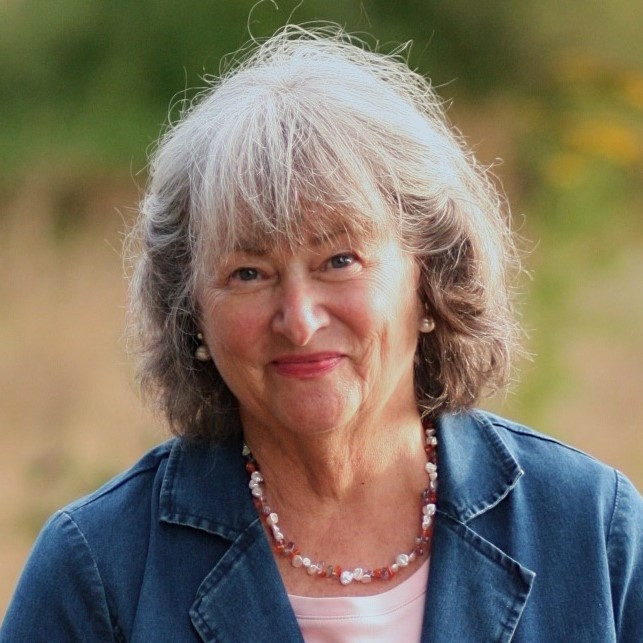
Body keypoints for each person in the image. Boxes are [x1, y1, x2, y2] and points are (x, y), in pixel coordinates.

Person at [2, 25, 642, 642]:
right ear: (189, 310)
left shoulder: (591, 529)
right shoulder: (98, 570)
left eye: (339, 260)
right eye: (249, 273)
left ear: (432, 275)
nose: (300, 320)